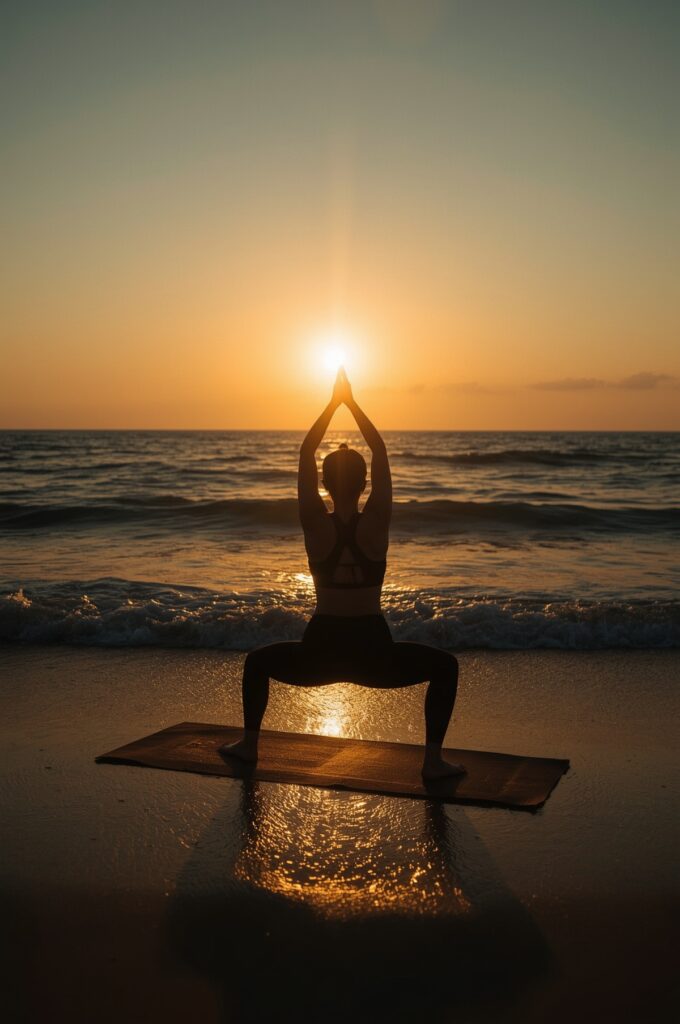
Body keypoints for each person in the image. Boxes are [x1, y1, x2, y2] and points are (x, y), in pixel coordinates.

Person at [220, 367, 465, 779]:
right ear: (366, 481)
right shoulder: (376, 525)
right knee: (447, 667)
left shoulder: (316, 525)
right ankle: (432, 762)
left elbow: (304, 453)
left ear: (323, 483)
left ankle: (248, 746)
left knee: (257, 662)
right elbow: (381, 452)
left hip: (320, 649)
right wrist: (353, 403)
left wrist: (332, 405)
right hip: (375, 650)